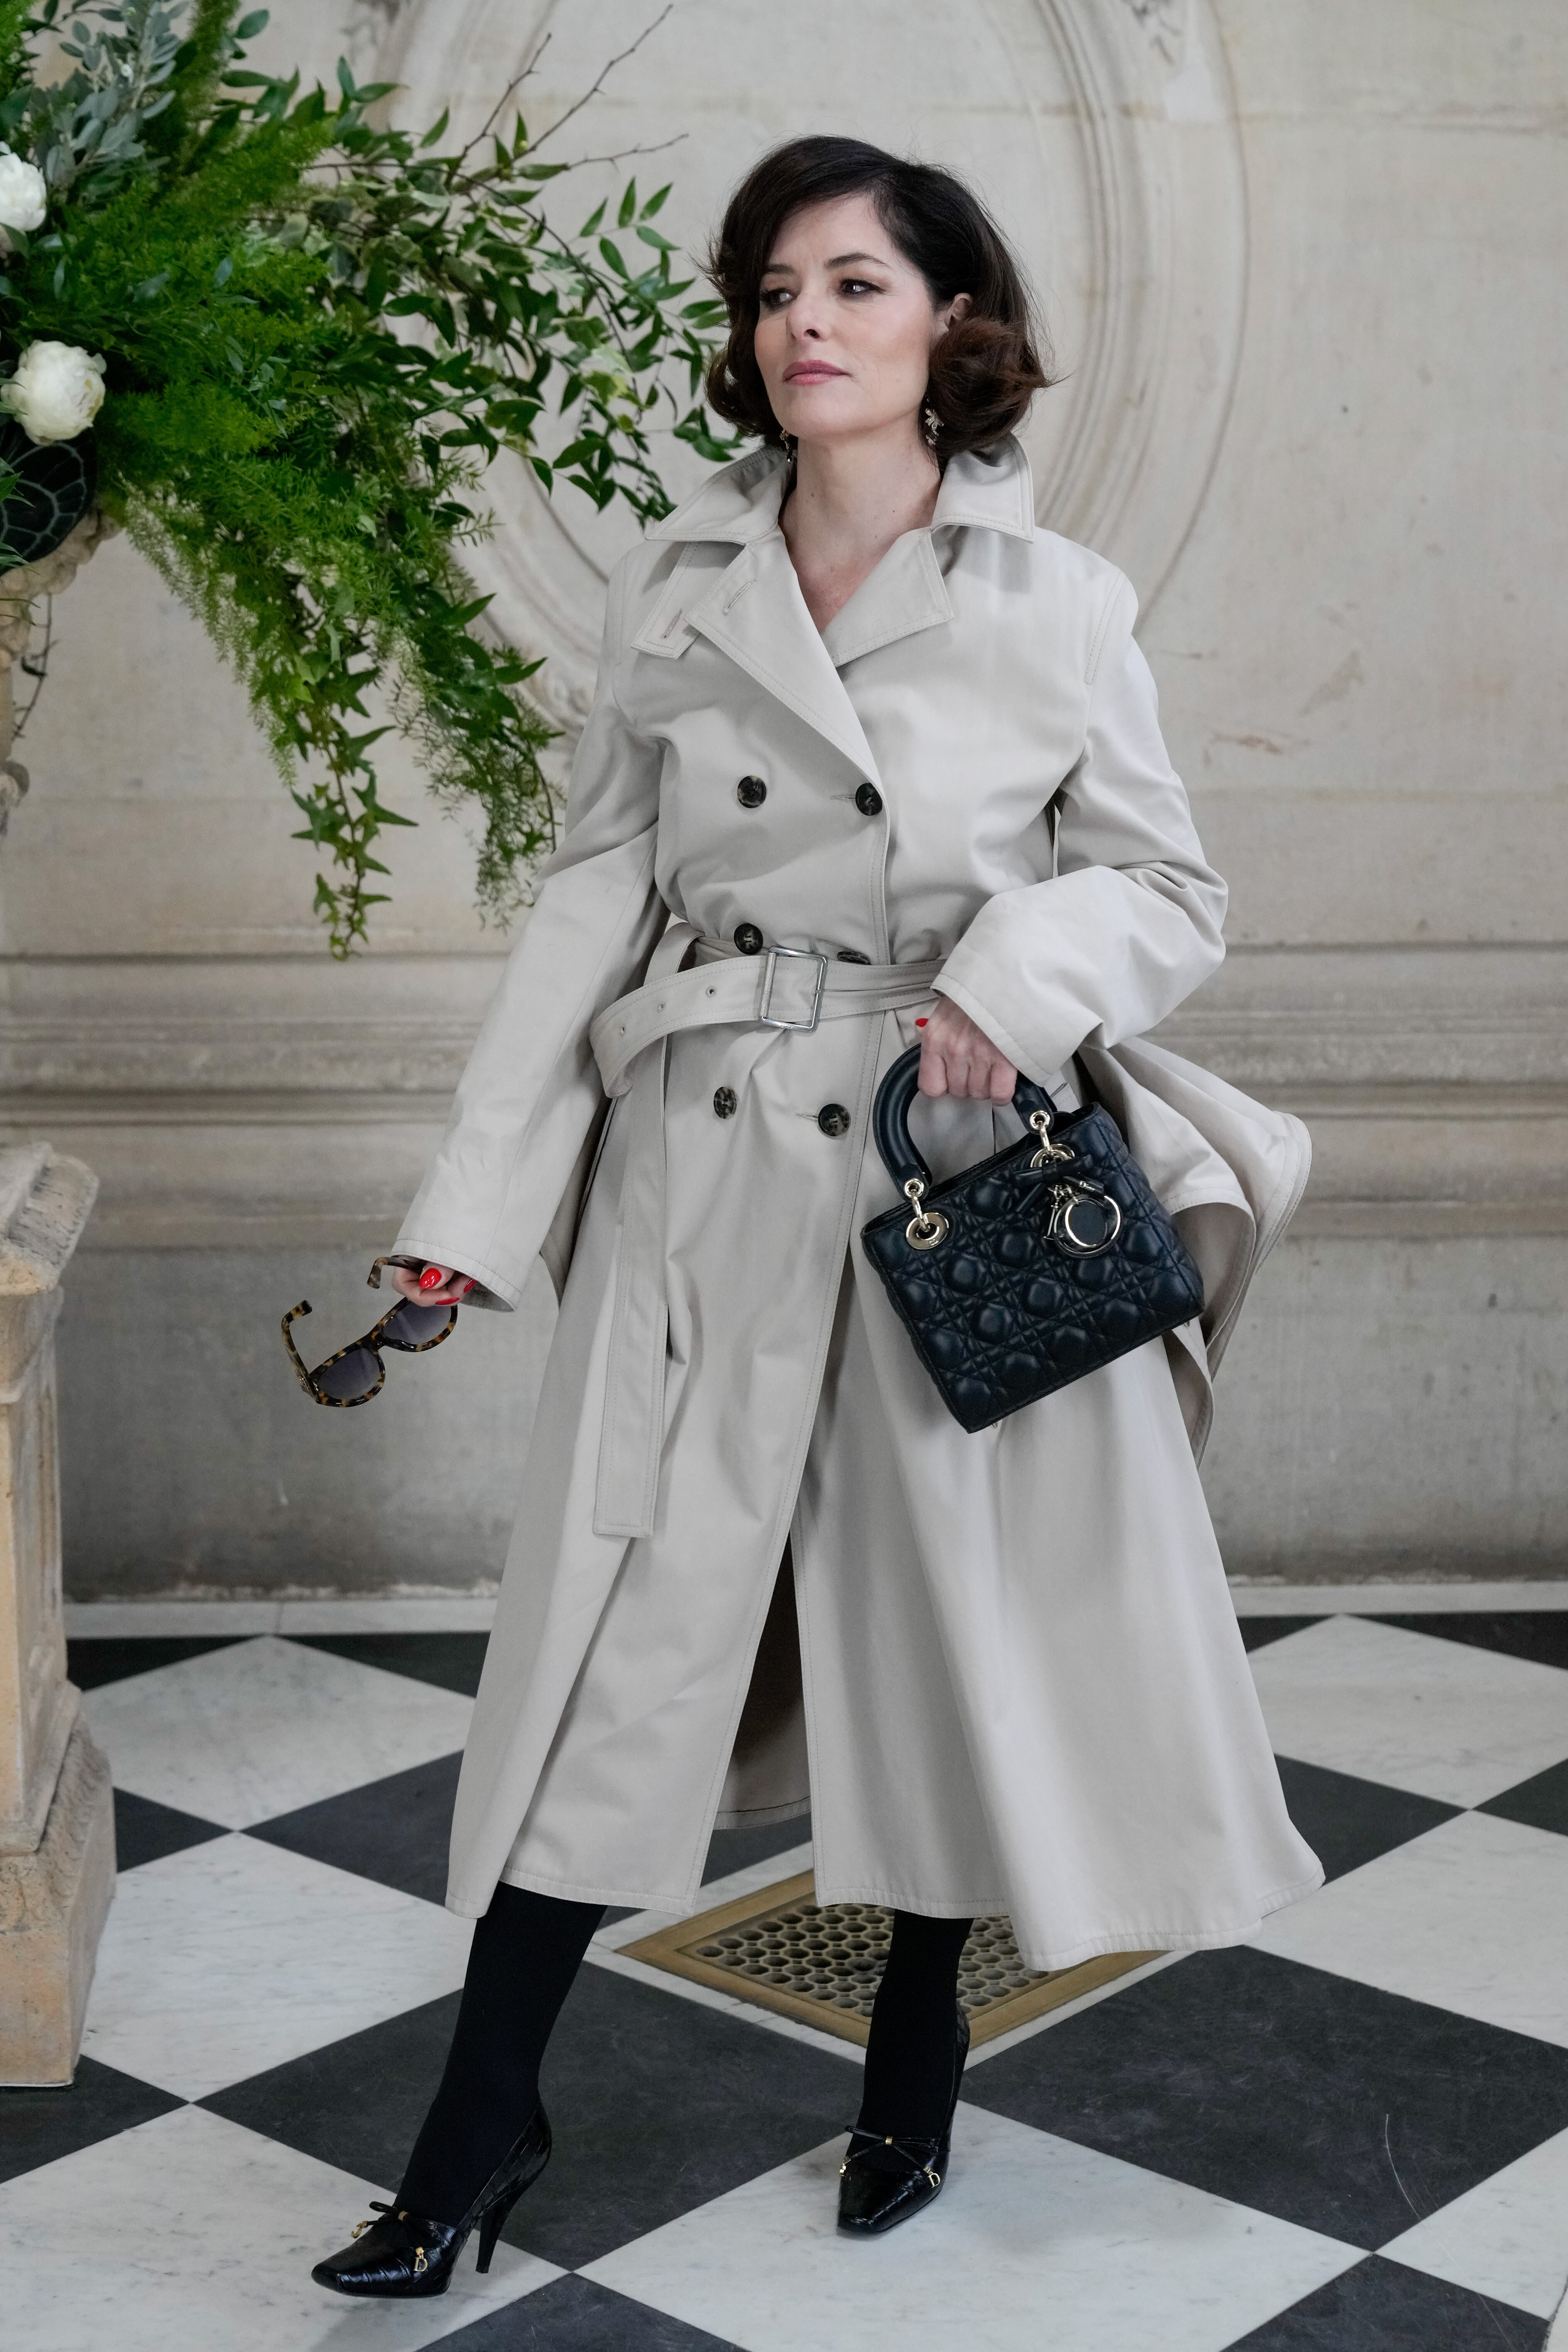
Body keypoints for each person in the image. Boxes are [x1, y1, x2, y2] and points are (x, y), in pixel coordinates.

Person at [312, 133, 1321, 2299]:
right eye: (776, 292)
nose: (804, 328)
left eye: (855, 286)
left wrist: (1009, 980)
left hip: (939, 1182)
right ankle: (478, 2127)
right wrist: (464, 1213)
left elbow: (1167, 890)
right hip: (699, 1175)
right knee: (605, 1657)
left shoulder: (1060, 607)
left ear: (953, 319)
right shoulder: (678, 584)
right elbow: (595, 892)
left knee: (930, 1639)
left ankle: (915, 2049)